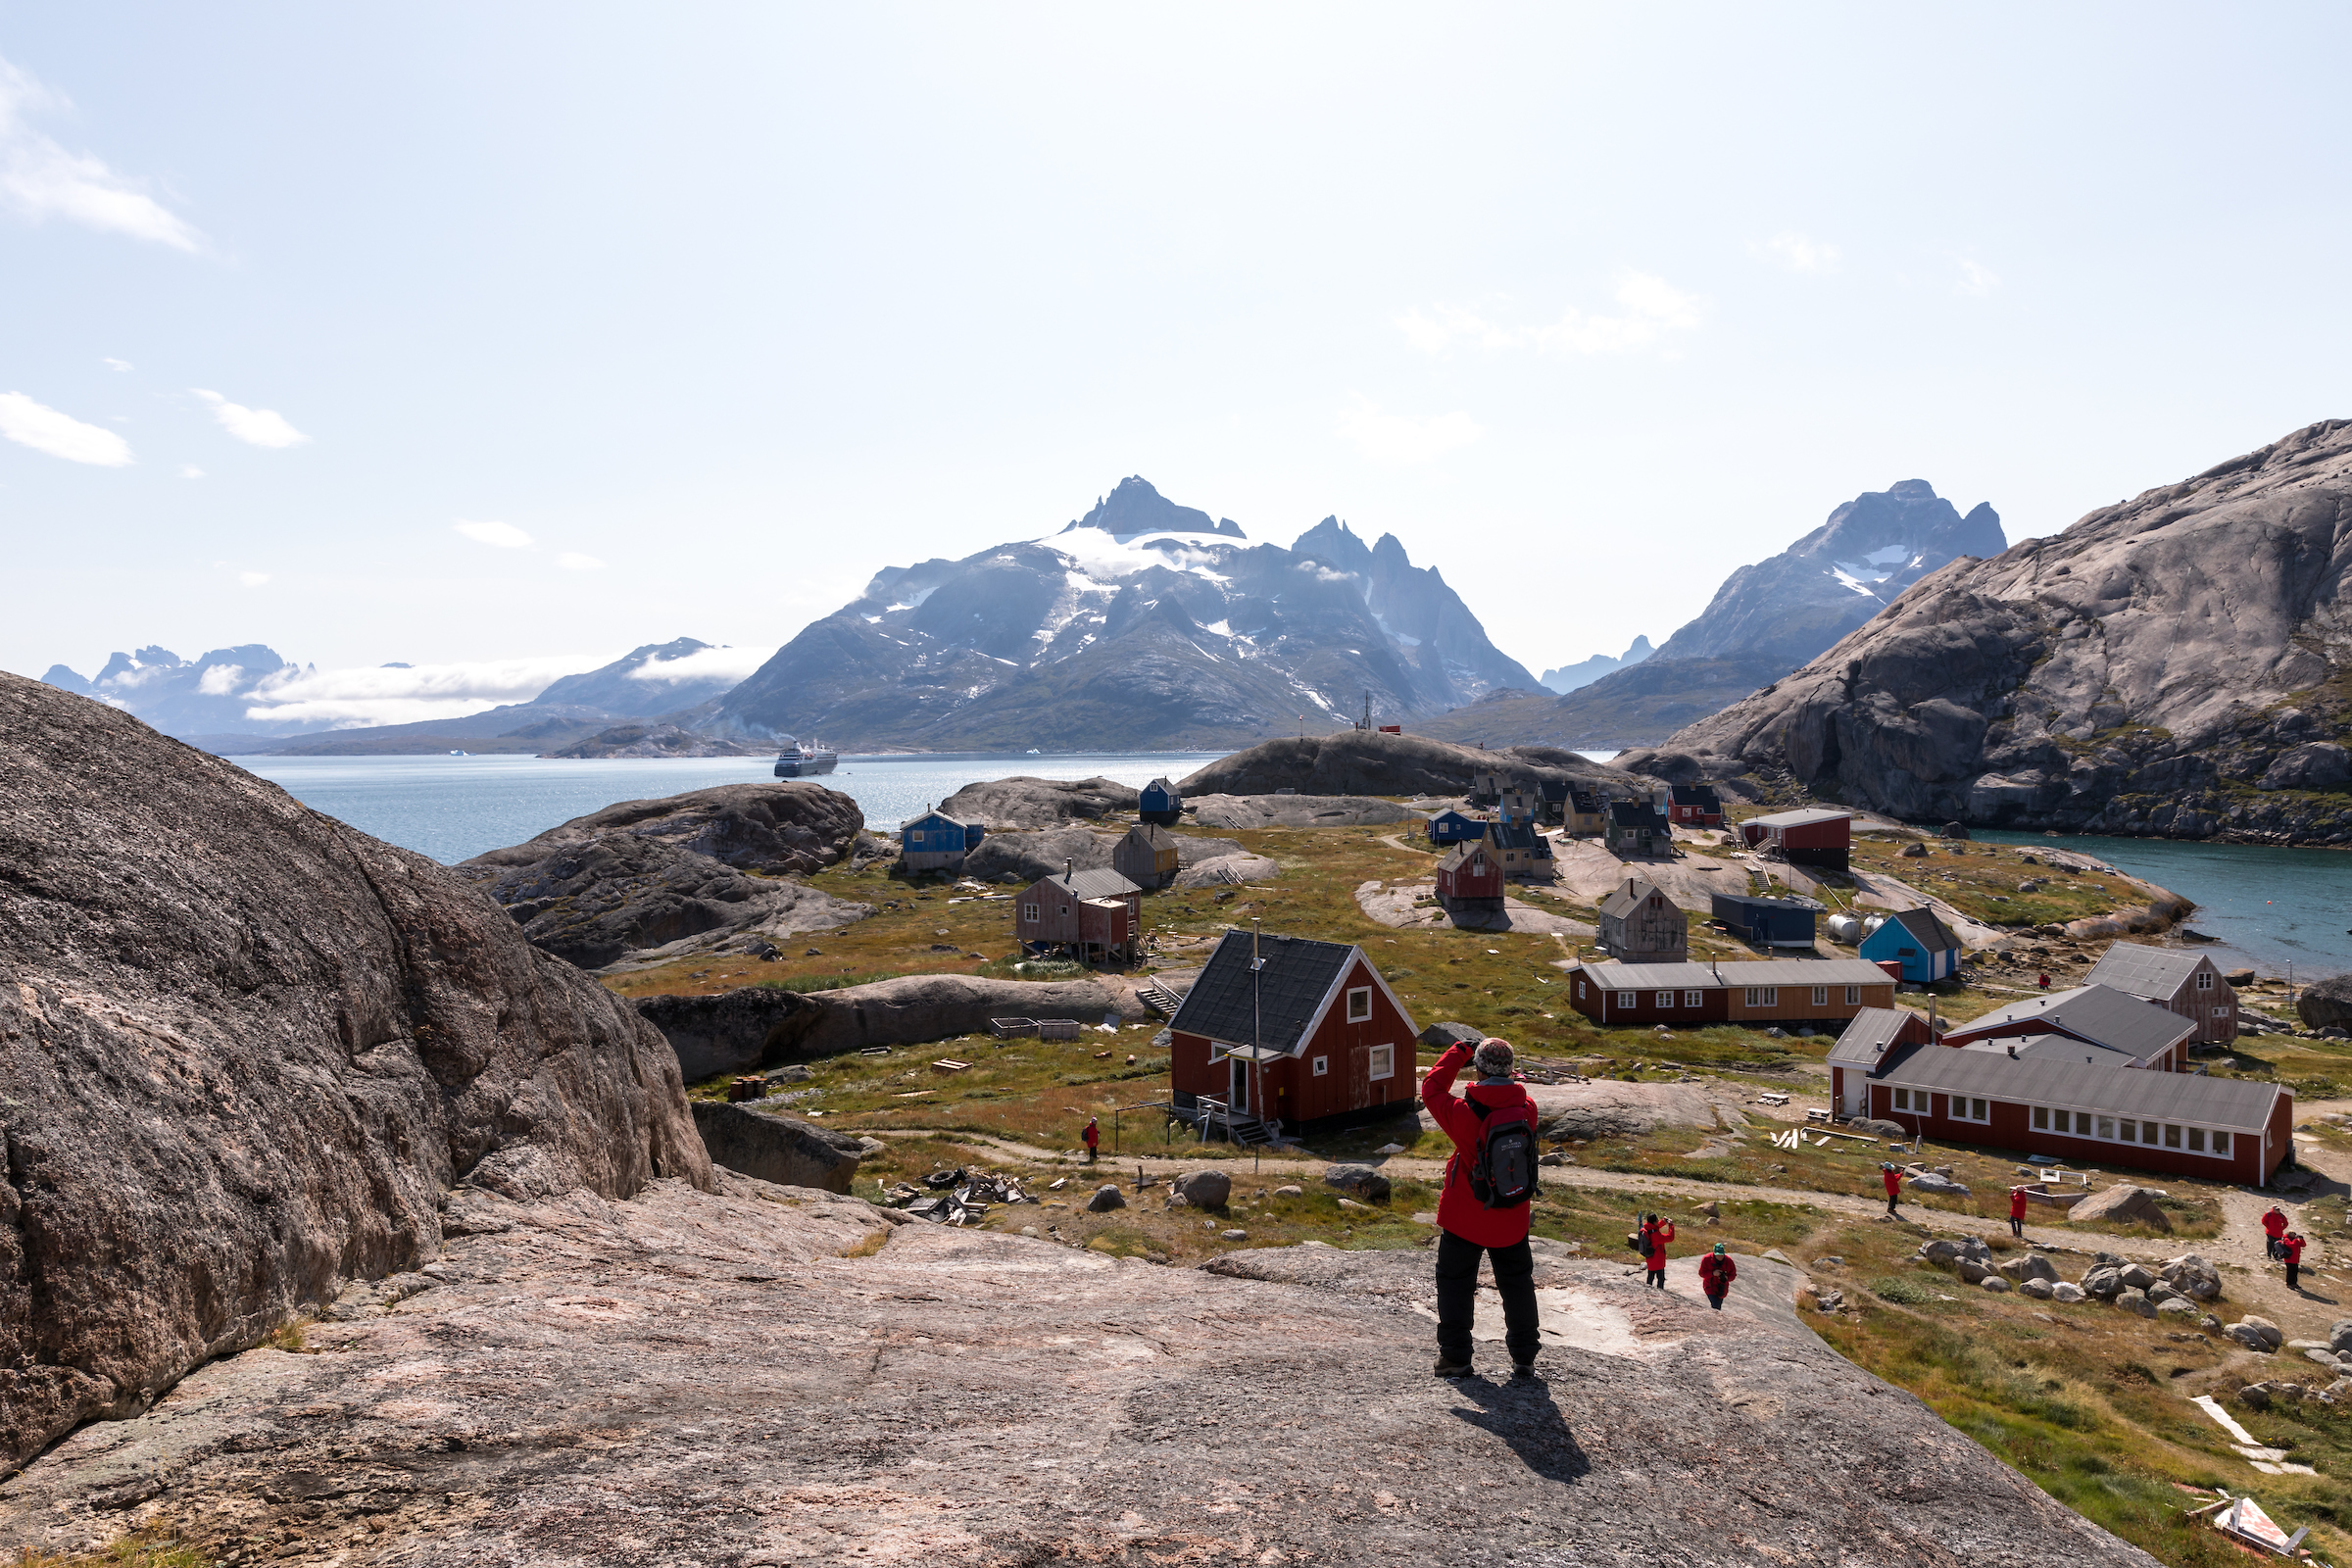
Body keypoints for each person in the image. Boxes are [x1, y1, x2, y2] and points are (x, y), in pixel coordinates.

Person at [1421, 1035, 1542, 1380]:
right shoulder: (1527, 1109)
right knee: (1517, 1284)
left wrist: (1458, 1051)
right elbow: (1512, 1093)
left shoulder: (1462, 1113)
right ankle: (1524, 1360)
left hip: (1466, 1217)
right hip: (1512, 1216)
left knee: (1456, 1284)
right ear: (1512, 1070)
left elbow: (1431, 1088)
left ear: (1478, 1067)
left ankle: (1456, 1360)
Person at [1698, 1243, 1737, 1310]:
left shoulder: (1728, 1261)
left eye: (1721, 1255)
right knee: (1715, 1305)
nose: (1719, 1257)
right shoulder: (1707, 1259)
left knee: (1718, 1304)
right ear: (1714, 1253)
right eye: (1717, 1255)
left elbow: (1733, 1275)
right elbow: (1701, 1273)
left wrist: (1726, 1278)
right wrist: (1713, 1273)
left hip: (1722, 1287)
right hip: (1709, 1286)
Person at [1642, 1216, 1676, 1289]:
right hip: (1658, 1260)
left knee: (1650, 1278)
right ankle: (1660, 1294)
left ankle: (1647, 1291)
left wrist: (1663, 1221)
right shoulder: (1656, 1236)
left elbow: (1655, 1227)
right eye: (1657, 1221)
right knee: (1661, 1279)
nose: (1658, 1222)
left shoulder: (1646, 1228)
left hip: (1650, 1258)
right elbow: (1670, 1238)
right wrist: (1671, 1225)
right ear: (1654, 1222)